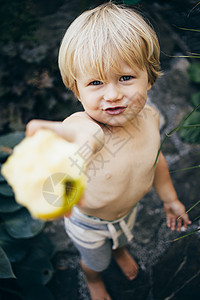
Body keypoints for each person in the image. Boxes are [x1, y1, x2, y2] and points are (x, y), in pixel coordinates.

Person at [26, 2, 191, 300]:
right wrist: (55, 138)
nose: (112, 95)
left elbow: (156, 161)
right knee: (94, 261)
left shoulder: (151, 118)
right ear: (77, 91)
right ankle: (93, 279)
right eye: (96, 83)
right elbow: (79, 137)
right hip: (89, 225)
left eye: (126, 78)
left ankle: (120, 249)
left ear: (149, 77)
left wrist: (170, 200)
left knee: (121, 240)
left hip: (127, 213)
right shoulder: (85, 128)